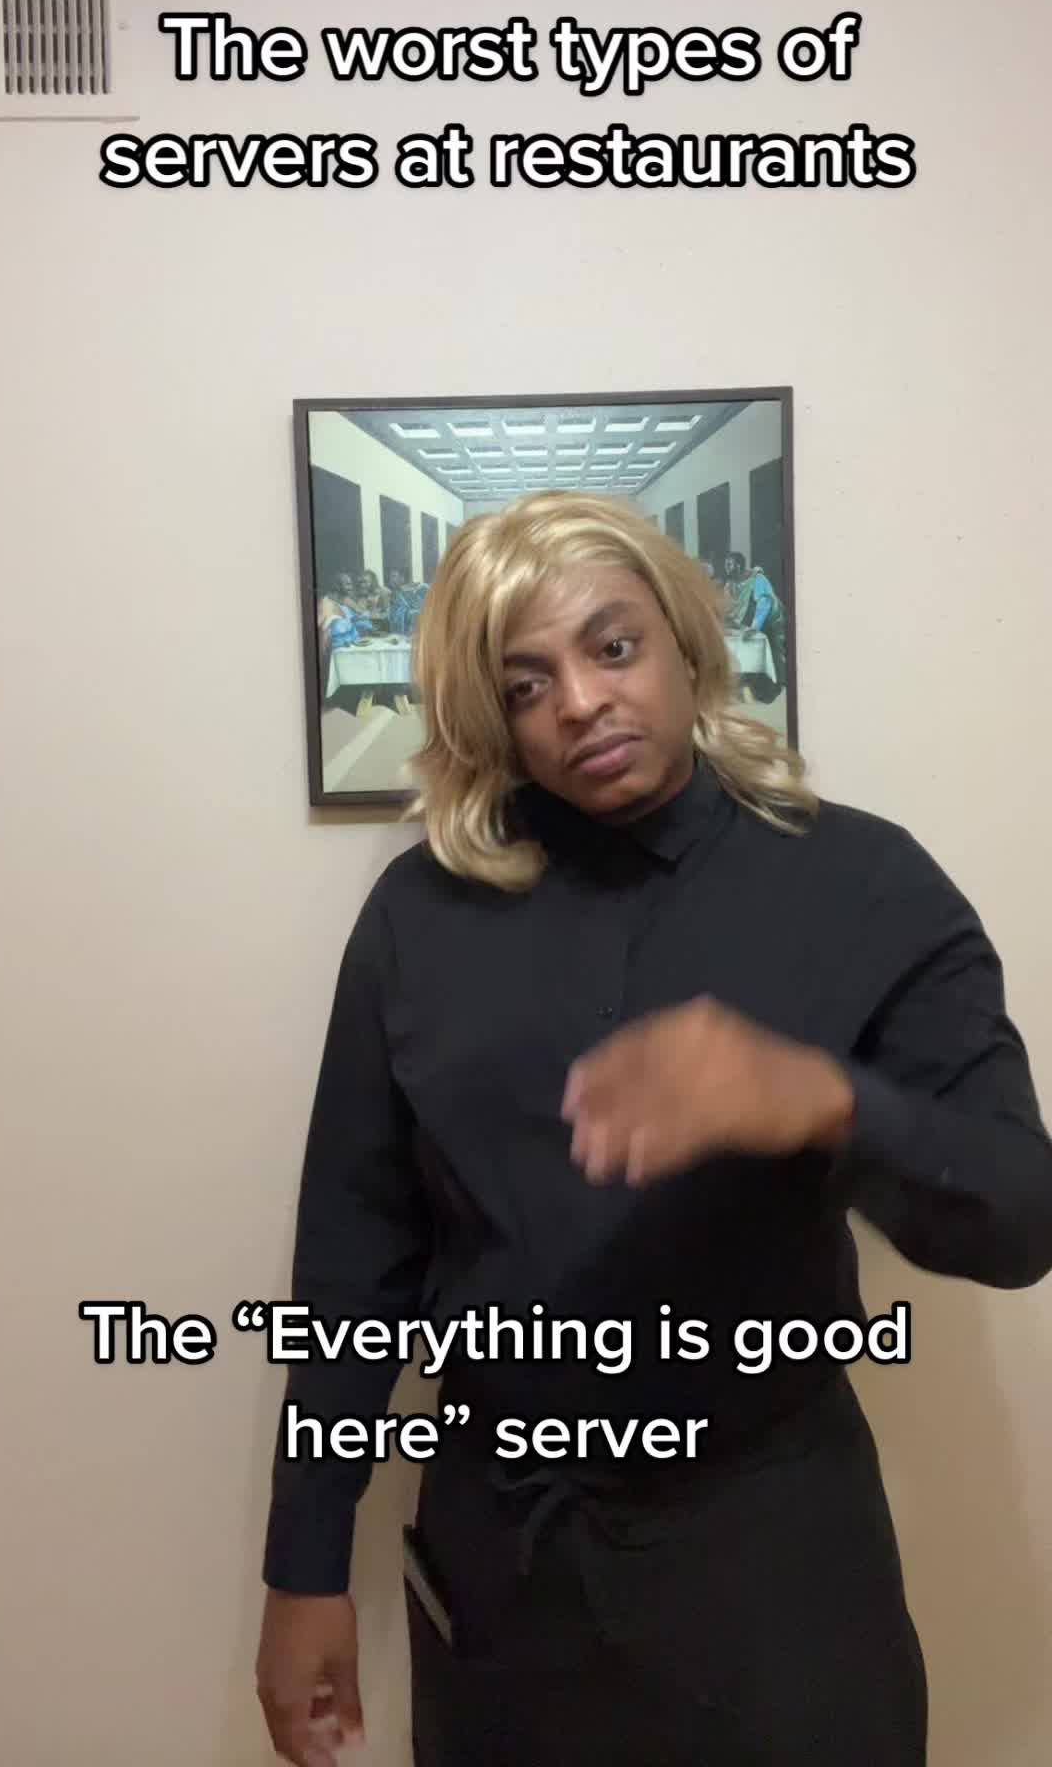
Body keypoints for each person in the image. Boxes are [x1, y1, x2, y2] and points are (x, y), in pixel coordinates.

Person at [260, 493, 1052, 1767]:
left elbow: (1020, 1218)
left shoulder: (866, 884)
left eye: (613, 647)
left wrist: (826, 1101)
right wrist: (305, 1566)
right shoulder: (420, 919)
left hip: (773, 1556)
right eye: (526, 685)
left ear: (685, 643)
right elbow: (354, 1265)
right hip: (505, 1562)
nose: (580, 702)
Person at [723, 551, 786, 700]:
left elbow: (765, 603)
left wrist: (754, 627)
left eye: (729, 564)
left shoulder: (757, 579)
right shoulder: (730, 584)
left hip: (769, 622)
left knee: (770, 650)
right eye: (726, 564)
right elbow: (727, 607)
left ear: (738, 566)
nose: (726, 567)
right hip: (748, 624)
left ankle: (771, 688)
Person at [387, 567, 429, 636]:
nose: (391, 579)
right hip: (396, 631)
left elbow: (418, 609)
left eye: (394, 576)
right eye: (390, 577)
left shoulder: (411, 591)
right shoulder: (393, 593)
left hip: (411, 631)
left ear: (402, 578)